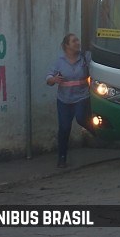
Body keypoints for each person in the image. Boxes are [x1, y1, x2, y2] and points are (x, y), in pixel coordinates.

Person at [46, 33, 94, 168]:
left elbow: (96, 67)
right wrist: (53, 80)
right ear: (67, 46)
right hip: (64, 100)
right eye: (74, 41)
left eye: (77, 40)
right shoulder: (59, 61)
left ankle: (100, 134)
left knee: (81, 118)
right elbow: (48, 77)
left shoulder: (85, 57)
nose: (77, 43)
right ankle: (62, 158)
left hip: (82, 96)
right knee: (64, 128)